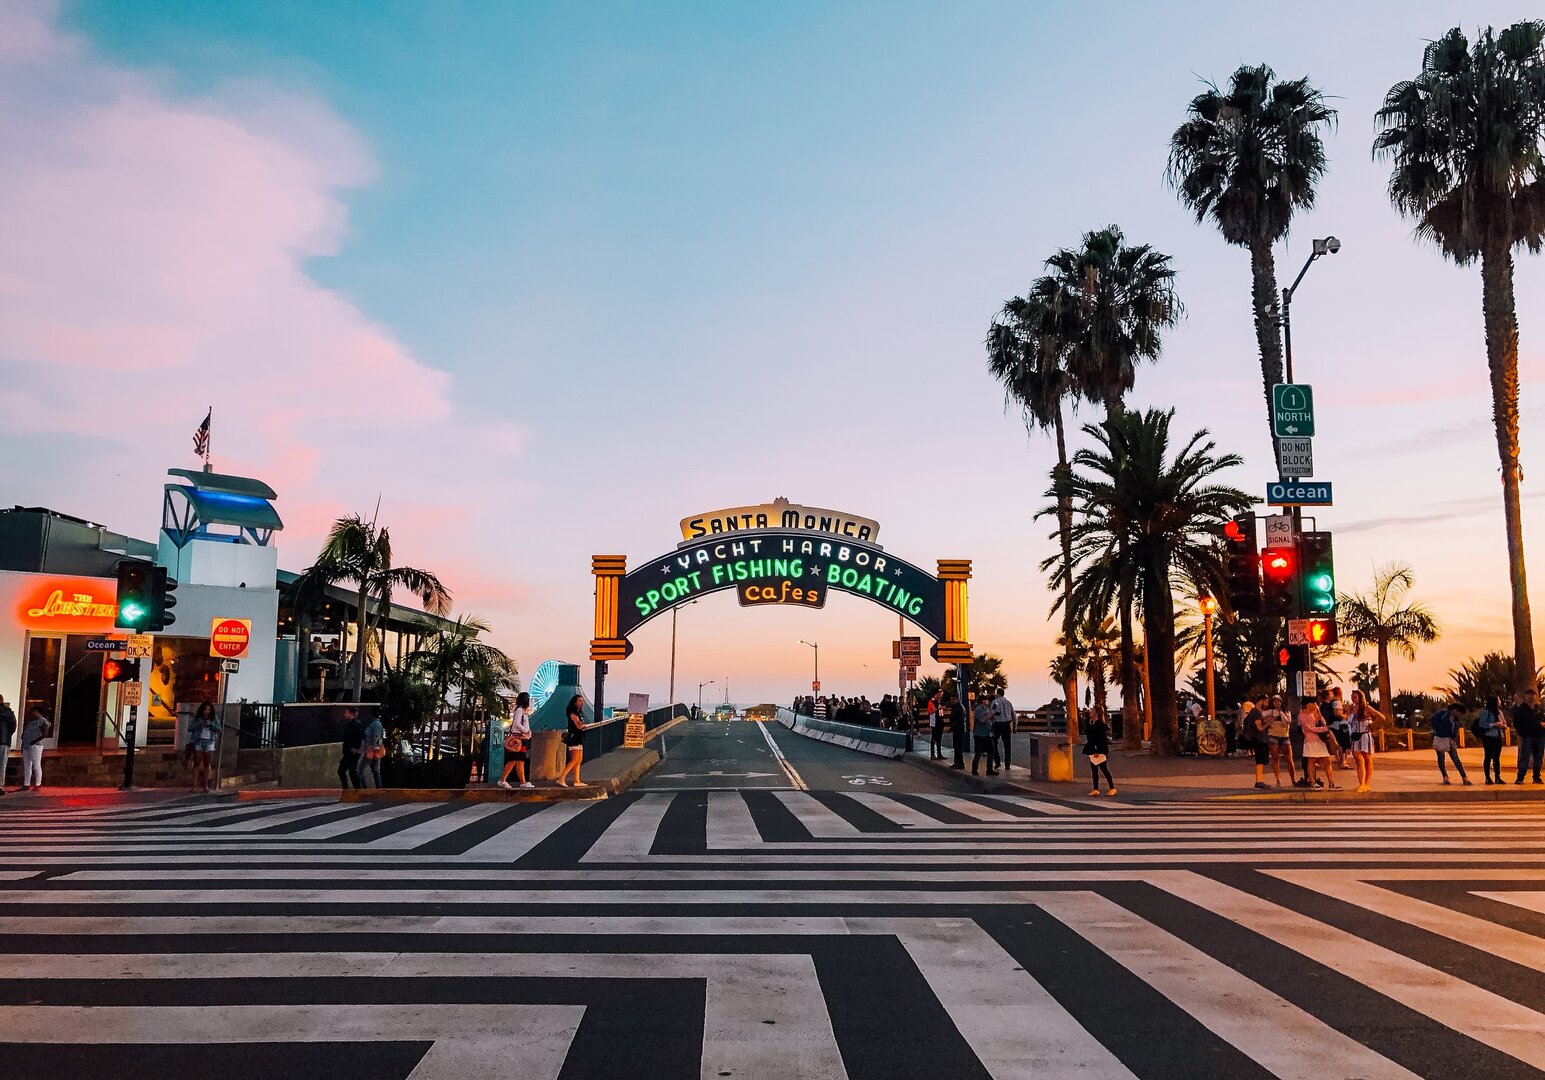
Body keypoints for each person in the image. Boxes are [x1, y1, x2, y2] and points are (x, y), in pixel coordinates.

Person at [1344, 689, 1382, 793]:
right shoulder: (1351, 708)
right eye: (1352, 696)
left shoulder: (1366, 708)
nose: (1353, 698)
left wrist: (1372, 725)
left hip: (1364, 735)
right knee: (1358, 759)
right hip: (1354, 735)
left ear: (1360, 697)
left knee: (1367, 758)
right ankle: (1361, 783)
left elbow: (1381, 717)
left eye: (1355, 696)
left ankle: (1366, 783)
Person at [497, 692, 535, 789]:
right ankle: (503, 780)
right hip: (518, 738)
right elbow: (517, 723)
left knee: (519, 761)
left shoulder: (521, 710)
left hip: (521, 738)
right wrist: (527, 731)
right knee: (514, 760)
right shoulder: (519, 710)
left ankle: (523, 782)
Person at [1429, 701, 1472, 785]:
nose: (1459, 714)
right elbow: (1432, 720)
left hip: (1449, 739)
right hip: (1440, 738)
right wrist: (1438, 729)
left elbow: (1455, 729)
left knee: (1456, 759)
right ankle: (1445, 777)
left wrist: (1453, 737)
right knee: (1441, 758)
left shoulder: (1455, 720)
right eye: (1459, 712)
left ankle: (1464, 777)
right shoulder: (1443, 713)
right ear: (1455, 710)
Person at [1298, 701, 1338, 790]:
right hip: (1310, 740)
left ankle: (1331, 782)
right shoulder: (1302, 715)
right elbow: (1308, 728)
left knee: (1326, 760)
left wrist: (1319, 714)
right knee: (1311, 760)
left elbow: (1323, 722)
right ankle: (1313, 782)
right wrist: (1322, 729)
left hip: (1320, 740)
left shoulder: (1315, 714)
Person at [556, 694, 593, 787]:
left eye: (582, 701)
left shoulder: (579, 712)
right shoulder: (573, 713)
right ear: (575, 703)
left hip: (578, 737)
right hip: (574, 738)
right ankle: (561, 779)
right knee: (574, 760)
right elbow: (578, 725)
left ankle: (577, 780)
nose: (581, 703)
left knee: (579, 760)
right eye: (579, 701)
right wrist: (584, 725)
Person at [1260, 694, 1294, 788]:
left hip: (1284, 735)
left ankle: (1293, 779)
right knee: (1275, 758)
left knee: (1289, 759)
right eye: (1274, 701)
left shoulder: (1286, 711)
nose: (1277, 703)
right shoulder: (1270, 712)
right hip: (1273, 735)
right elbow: (1263, 716)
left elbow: (1287, 722)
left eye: (1278, 701)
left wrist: (1280, 712)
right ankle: (1278, 779)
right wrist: (1271, 716)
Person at [1512, 688, 1544, 784]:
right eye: (1529, 694)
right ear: (1525, 696)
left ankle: (1537, 777)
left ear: (1536, 696)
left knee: (1538, 758)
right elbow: (1517, 723)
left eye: (1533, 694)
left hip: (1540, 736)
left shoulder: (1540, 709)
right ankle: (1520, 777)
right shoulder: (1521, 710)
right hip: (1527, 737)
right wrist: (1522, 733)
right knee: (1525, 757)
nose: (1531, 696)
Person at [187, 703, 221, 792]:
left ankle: (205, 786)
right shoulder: (197, 718)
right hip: (199, 740)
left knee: (207, 763)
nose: (206, 712)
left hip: (209, 741)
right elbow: (190, 728)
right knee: (197, 762)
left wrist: (211, 724)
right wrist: (200, 723)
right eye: (205, 710)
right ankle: (194, 785)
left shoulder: (214, 717)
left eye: (208, 710)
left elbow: (219, 729)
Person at [1083, 711, 1116, 796]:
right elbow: (1087, 733)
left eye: (1092, 710)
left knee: (1104, 769)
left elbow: (1101, 738)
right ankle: (1096, 789)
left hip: (1098, 750)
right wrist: (1086, 720)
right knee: (1094, 770)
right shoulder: (1091, 723)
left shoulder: (1100, 724)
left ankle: (1112, 788)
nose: (1090, 712)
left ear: (1096, 713)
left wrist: (1099, 750)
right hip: (1091, 749)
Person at [1241, 695, 1270, 789]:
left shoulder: (1256, 712)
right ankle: (1258, 781)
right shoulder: (1255, 712)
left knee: (1260, 760)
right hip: (1258, 738)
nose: (1267, 704)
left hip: (1259, 738)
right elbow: (1260, 727)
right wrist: (1270, 721)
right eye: (1266, 702)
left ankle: (1259, 780)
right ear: (1261, 701)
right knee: (1260, 760)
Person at [1477, 694, 1507, 784]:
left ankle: (1497, 777)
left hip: (1498, 736)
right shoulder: (1486, 712)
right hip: (1489, 737)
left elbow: (1504, 722)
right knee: (1488, 756)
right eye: (1498, 700)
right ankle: (1487, 777)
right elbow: (1482, 724)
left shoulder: (1499, 712)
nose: (1500, 702)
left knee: (1496, 757)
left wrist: (1503, 725)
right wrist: (1493, 725)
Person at [20, 707, 50, 791]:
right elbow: (24, 735)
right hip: (26, 745)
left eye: (34, 712)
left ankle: (38, 784)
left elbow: (45, 734)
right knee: (27, 765)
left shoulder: (43, 721)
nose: (32, 714)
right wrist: (23, 745)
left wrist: (35, 741)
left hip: (36, 745)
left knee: (36, 764)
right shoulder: (30, 723)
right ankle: (26, 784)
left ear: (38, 712)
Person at [338, 706, 365, 790]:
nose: (345, 715)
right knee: (342, 770)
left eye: (346, 713)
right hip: (348, 752)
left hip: (352, 753)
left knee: (352, 772)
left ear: (352, 714)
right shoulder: (350, 724)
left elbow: (362, 737)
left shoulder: (356, 724)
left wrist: (356, 748)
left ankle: (357, 790)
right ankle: (347, 789)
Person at [970, 695, 997, 776]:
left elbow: (989, 720)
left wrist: (992, 717)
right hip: (979, 734)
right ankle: (974, 769)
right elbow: (982, 719)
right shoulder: (978, 709)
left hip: (987, 734)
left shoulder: (987, 709)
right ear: (982, 701)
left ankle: (989, 769)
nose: (987, 701)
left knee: (991, 751)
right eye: (986, 700)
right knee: (978, 752)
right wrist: (990, 715)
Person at [359, 712, 386, 788]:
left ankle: (365, 788)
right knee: (375, 770)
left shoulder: (375, 724)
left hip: (372, 751)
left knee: (360, 770)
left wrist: (376, 749)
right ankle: (378, 788)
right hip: (373, 751)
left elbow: (377, 737)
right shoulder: (375, 724)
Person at [990, 687, 1015, 771]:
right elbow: (1013, 715)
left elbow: (991, 713)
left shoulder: (995, 702)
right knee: (1007, 745)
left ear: (998, 693)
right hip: (1006, 724)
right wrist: (1014, 727)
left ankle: (997, 761)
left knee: (994, 743)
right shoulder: (1008, 702)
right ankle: (1007, 765)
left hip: (997, 724)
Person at [0, 693, 15, 795]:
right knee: (2, 764)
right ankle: (0, 786)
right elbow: (12, 727)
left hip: (3, 739)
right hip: (4, 740)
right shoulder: (8, 712)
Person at [947, 697, 967, 769]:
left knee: (958, 747)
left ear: (957, 699)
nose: (952, 701)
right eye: (951, 699)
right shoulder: (955, 707)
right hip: (956, 729)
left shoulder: (959, 708)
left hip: (959, 730)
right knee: (956, 746)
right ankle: (957, 762)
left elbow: (959, 720)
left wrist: (952, 727)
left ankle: (960, 763)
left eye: (953, 699)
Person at [929, 695, 945, 760]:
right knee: (934, 738)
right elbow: (930, 712)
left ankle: (939, 754)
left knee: (939, 738)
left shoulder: (940, 703)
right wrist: (937, 709)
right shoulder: (932, 702)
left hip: (940, 721)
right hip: (935, 722)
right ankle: (932, 754)